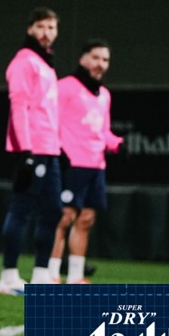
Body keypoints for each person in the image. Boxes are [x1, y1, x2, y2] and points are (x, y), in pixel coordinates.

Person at [0, 6, 63, 295]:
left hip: (50, 149)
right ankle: (8, 276)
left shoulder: (45, 63)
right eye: (41, 26)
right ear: (30, 29)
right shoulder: (24, 61)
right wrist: (25, 151)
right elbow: (19, 107)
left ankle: (41, 275)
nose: (46, 32)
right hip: (33, 148)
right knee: (21, 210)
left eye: (51, 27)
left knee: (53, 211)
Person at [47, 39, 124, 284]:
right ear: (83, 59)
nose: (100, 64)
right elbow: (50, 121)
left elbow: (103, 130)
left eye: (105, 60)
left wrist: (116, 143)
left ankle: (75, 276)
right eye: (96, 58)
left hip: (96, 166)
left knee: (86, 219)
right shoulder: (65, 87)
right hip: (72, 164)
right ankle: (51, 273)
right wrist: (58, 153)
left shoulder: (104, 95)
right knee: (64, 218)